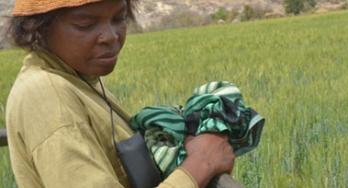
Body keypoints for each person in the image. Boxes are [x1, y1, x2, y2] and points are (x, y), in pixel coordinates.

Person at [5, 0, 235, 187]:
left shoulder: (79, 79)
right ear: (37, 28)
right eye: (85, 24)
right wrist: (199, 166)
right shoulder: (46, 95)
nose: (111, 36)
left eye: (119, 18)